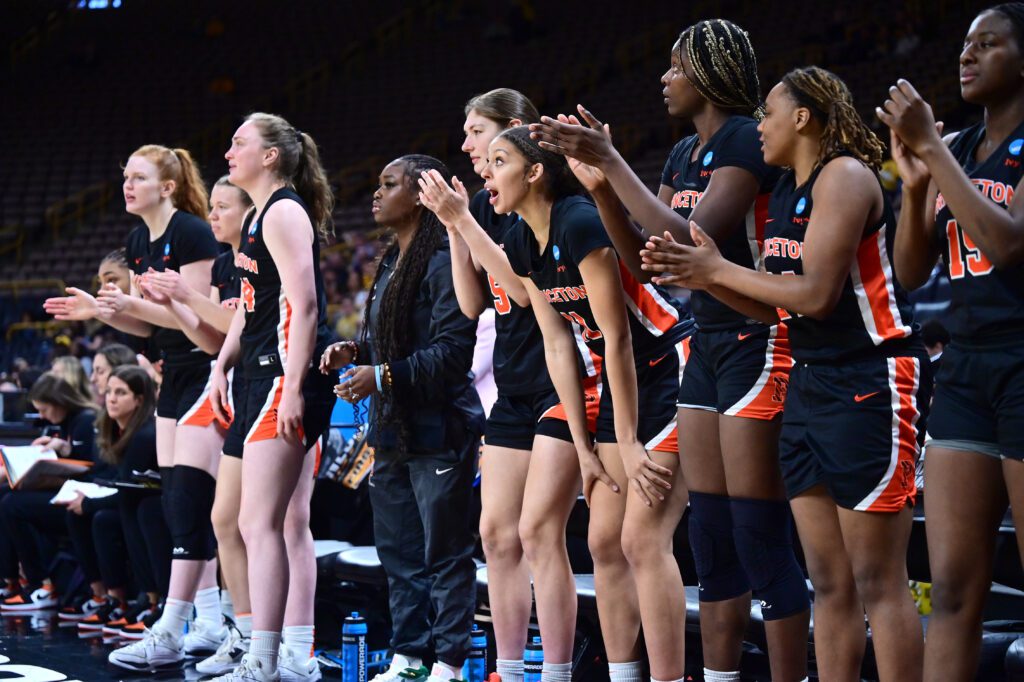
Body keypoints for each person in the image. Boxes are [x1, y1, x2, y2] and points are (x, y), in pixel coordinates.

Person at [528, 19, 810, 681]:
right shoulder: (684, 154)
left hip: (759, 337)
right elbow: (644, 263)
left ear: (709, 72)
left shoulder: (745, 137)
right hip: (708, 345)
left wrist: (612, 162)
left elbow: (691, 238)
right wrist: (600, 185)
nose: (663, 78)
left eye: (676, 66)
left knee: (756, 535)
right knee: (710, 535)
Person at [644, 66, 930, 682]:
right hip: (808, 377)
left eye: (769, 112)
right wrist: (708, 275)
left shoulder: (845, 177)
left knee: (877, 579)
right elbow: (774, 300)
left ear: (803, 118)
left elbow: (819, 294)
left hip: (871, 379)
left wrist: (716, 270)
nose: (760, 125)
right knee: (828, 581)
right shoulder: (791, 189)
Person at [484, 125, 693, 682]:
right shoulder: (520, 240)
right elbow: (559, 343)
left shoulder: (578, 220)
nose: (486, 174)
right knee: (602, 540)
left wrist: (624, 439)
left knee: (639, 539)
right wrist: (581, 443)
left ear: (533, 172)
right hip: (612, 381)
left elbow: (619, 335)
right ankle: (621, 674)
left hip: (669, 369)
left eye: (497, 160)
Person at [875, 4, 1024, 679]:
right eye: (963, 43)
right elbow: (909, 272)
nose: (966, 55)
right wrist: (913, 191)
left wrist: (931, 149)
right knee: (957, 588)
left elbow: (1007, 242)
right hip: (964, 368)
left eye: (987, 44)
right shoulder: (958, 148)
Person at [418, 88, 583, 682]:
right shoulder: (484, 206)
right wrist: (457, 229)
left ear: (514, 130)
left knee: (541, 531)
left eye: (475, 130)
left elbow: (517, 286)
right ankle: (510, 670)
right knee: (494, 530)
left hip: (561, 380)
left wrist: (462, 220)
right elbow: (470, 304)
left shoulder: (546, 200)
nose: (465, 144)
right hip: (513, 383)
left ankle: (557, 670)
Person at [45, 143, 227, 669]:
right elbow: (147, 326)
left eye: (138, 177)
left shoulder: (191, 231)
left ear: (167, 187)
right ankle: (210, 619)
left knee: (190, 500)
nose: (127, 185)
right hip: (171, 375)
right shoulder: (135, 239)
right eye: (125, 176)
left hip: (205, 371)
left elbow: (195, 318)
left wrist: (128, 304)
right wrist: (100, 312)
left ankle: (177, 624)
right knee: (178, 501)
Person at [321, 155, 483, 682]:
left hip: (440, 429)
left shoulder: (441, 258)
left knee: (445, 554)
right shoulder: (393, 259)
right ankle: (410, 658)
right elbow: (389, 343)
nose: (376, 192)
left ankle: (451, 663)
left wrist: (382, 375)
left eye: (388, 183)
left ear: (419, 195)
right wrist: (356, 351)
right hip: (392, 429)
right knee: (398, 553)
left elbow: (453, 354)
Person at [208, 112, 338, 681]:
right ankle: (279, 651)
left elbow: (306, 306)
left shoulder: (284, 211)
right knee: (241, 520)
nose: (228, 151)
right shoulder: (259, 215)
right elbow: (251, 306)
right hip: (256, 376)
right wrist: (220, 366)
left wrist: (290, 384)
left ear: (269, 157)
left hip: (282, 377)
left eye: (239, 143)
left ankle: (268, 657)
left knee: (264, 523)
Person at [65, 366, 159, 631]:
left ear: (139, 399)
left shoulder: (144, 435)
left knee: (109, 517)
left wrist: (91, 503)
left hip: (152, 503)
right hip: (132, 499)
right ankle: (107, 597)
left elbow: (132, 489)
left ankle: (151, 601)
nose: (111, 398)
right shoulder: (111, 429)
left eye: (120, 393)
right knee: (81, 514)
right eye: (109, 392)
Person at [0, 373, 98, 610]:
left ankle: (41, 584)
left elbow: (90, 467)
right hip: (64, 489)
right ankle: (11, 579)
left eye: (44, 409)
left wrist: (62, 453)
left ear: (59, 401)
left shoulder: (86, 421)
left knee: (12, 505)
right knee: (5, 496)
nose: (42, 416)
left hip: (82, 494)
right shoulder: (60, 424)